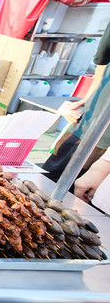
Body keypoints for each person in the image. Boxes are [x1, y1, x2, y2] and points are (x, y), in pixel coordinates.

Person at [42, 21, 110, 183]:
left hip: (101, 138)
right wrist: (90, 98)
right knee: (50, 177)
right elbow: (103, 59)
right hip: (91, 119)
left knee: (76, 190)